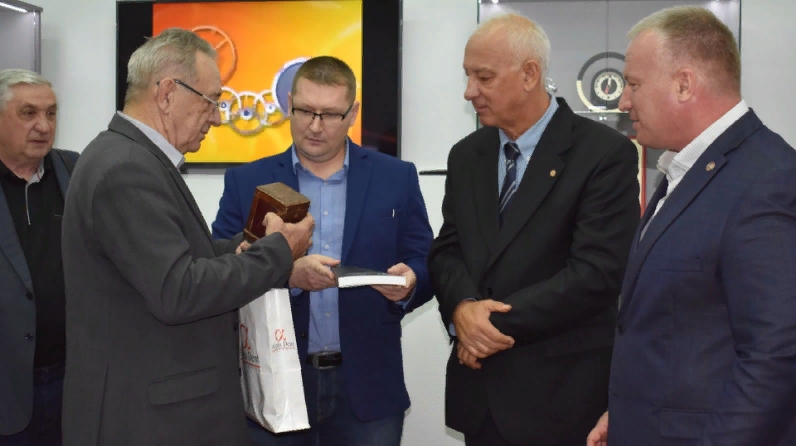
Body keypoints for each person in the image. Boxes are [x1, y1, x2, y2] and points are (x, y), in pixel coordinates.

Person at [60, 28, 313, 446]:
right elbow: (178, 291)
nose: (217, 117)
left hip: (156, 406)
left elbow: (174, 259)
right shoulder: (126, 168)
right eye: (211, 101)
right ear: (166, 94)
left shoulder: (130, 157)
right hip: (153, 418)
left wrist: (243, 249)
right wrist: (279, 252)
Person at [586, 6, 796, 446]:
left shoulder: (766, 181)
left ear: (684, 84)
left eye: (634, 84)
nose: (623, 101)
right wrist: (627, 413)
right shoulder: (689, 169)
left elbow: (775, 356)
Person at [428, 13, 640, 446]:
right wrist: (463, 307)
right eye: (468, 76)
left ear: (530, 75)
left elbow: (597, 273)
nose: (469, 91)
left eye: (483, 77)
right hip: (481, 397)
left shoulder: (604, 154)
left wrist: (482, 326)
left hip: (562, 400)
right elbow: (447, 250)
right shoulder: (467, 155)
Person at [212, 55, 434, 446]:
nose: (315, 126)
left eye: (330, 115)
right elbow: (220, 271)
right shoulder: (247, 180)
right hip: (276, 383)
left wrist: (412, 282)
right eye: (305, 111)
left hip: (368, 387)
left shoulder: (396, 177)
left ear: (353, 114)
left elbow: (426, 259)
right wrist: (287, 274)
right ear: (289, 105)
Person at [0, 69, 77, 446]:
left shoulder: (76, 171)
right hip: (7, 389)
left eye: (51, 113)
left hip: (72, 379)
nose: (44, 126)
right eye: (28, 113)